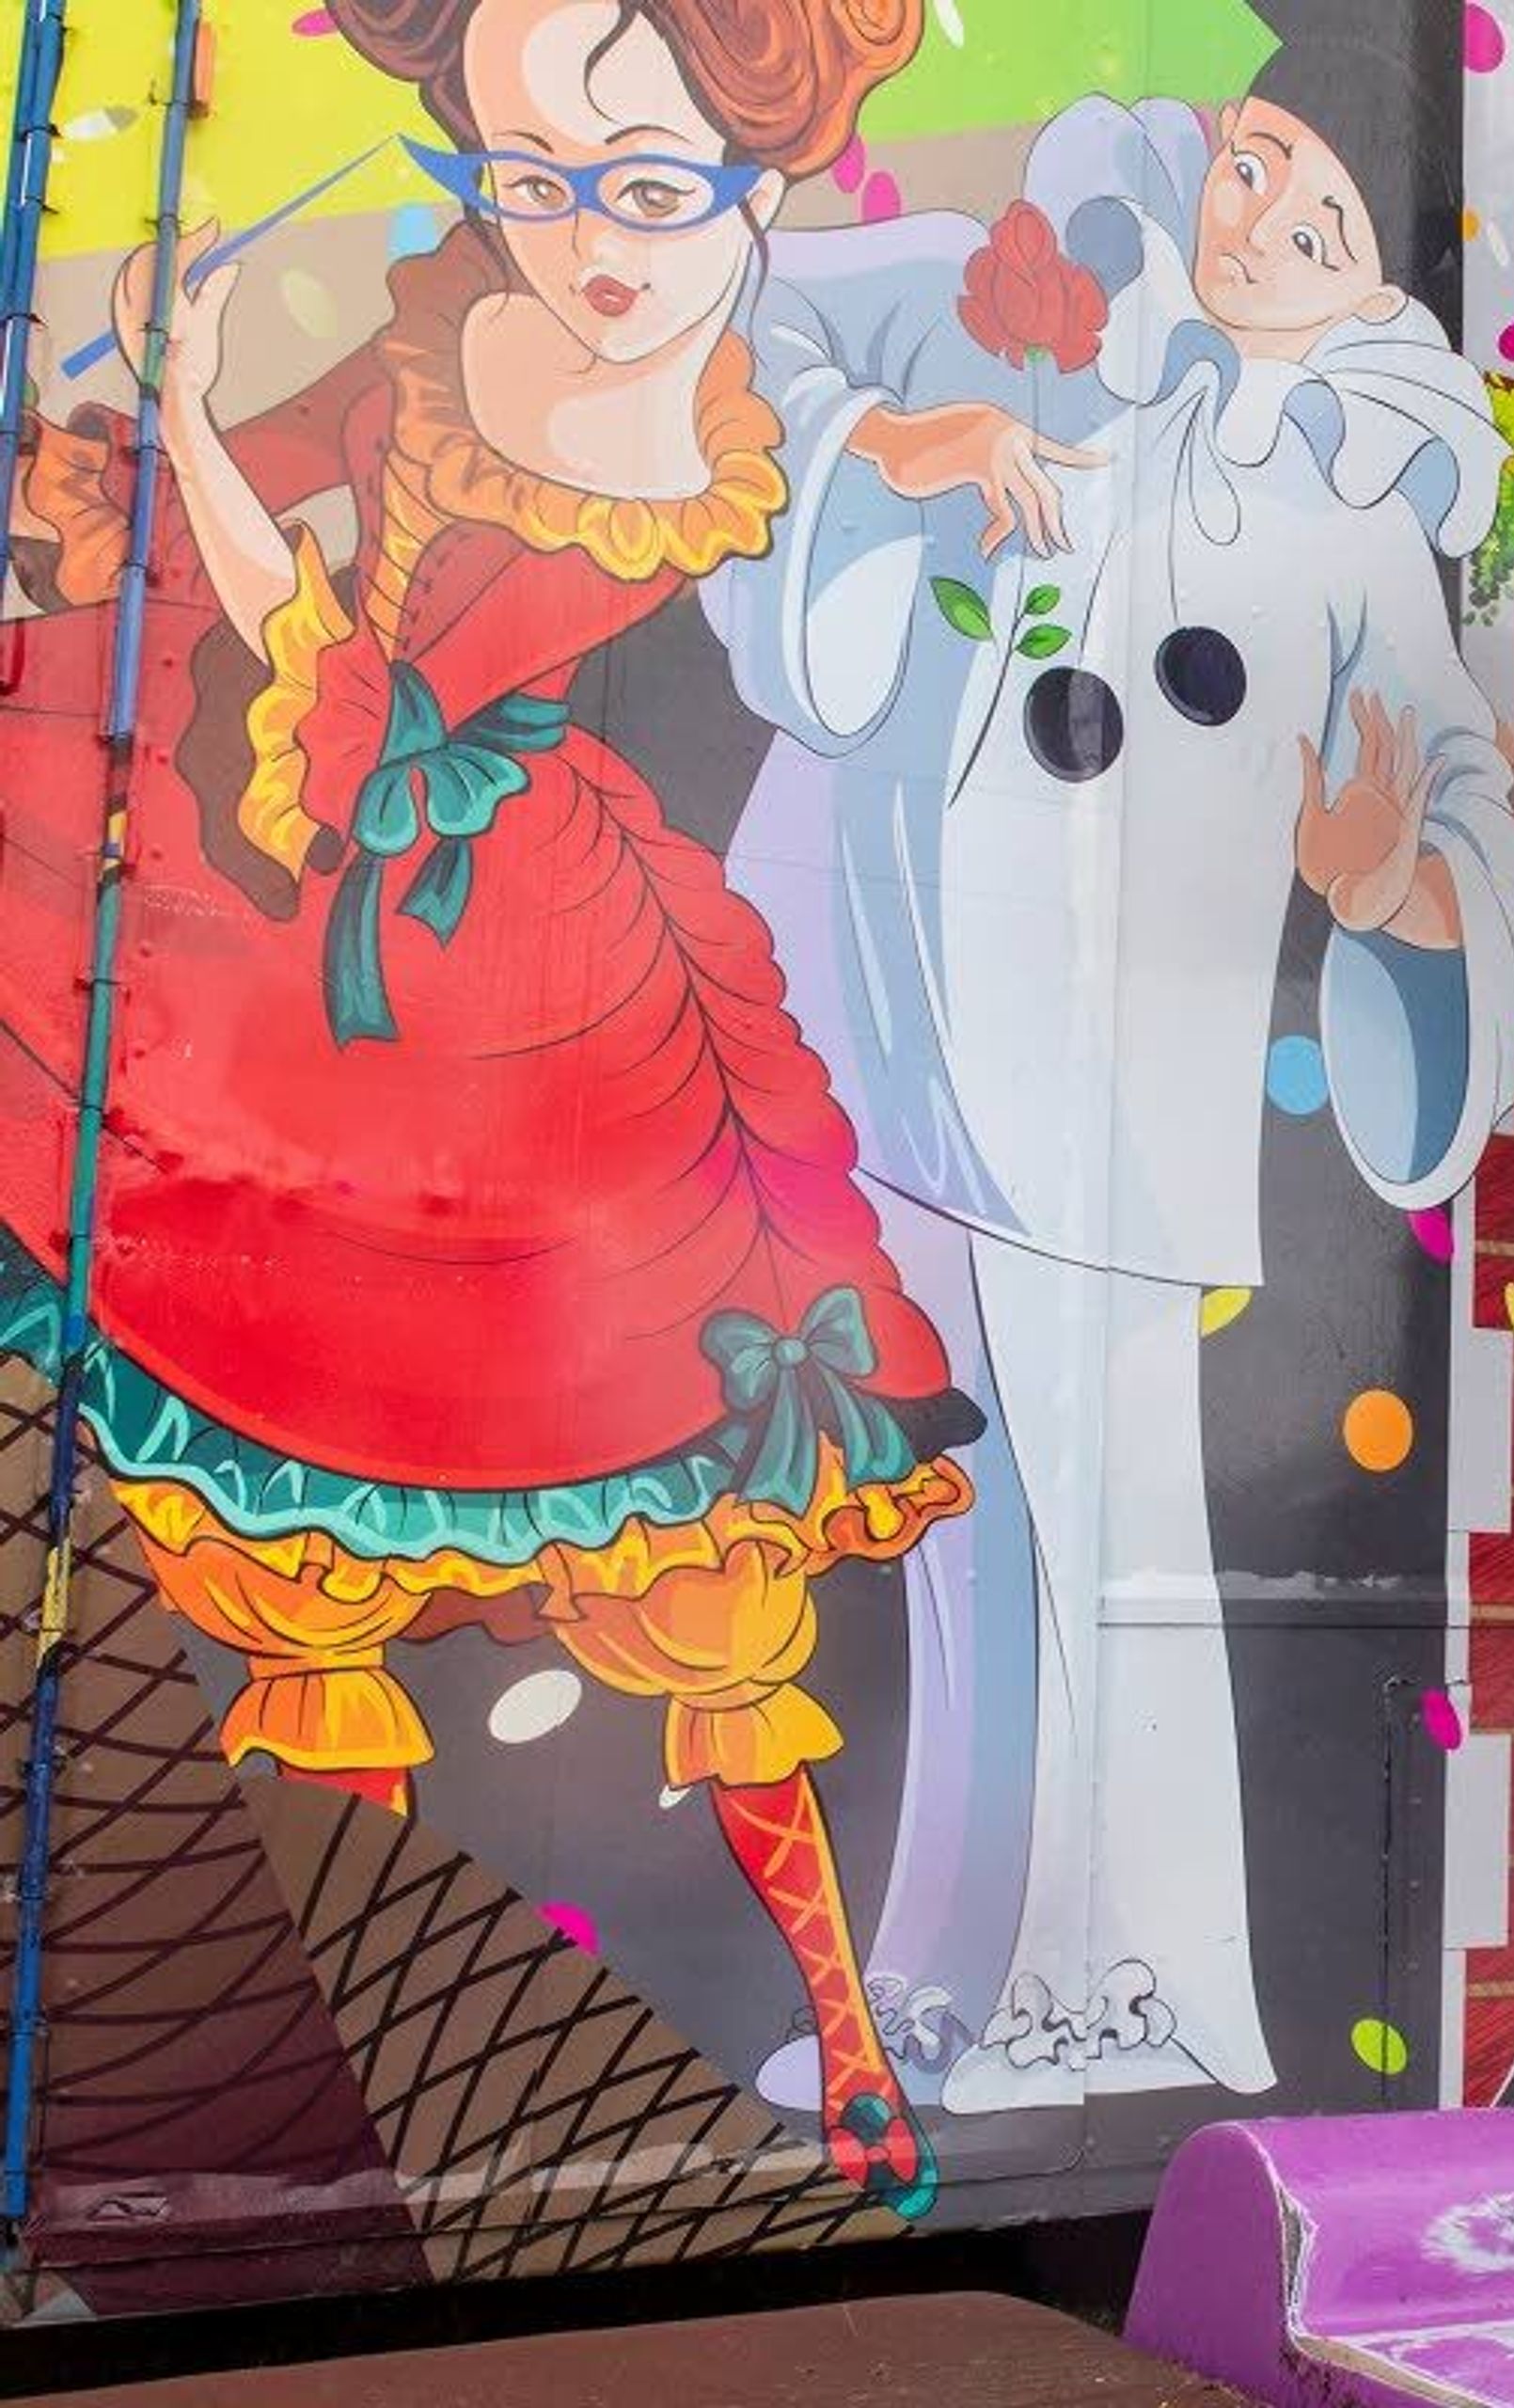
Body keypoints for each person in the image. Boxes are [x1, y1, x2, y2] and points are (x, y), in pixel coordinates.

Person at [0, 0, 961, 2218]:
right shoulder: (453, 317)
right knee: (302, 1510)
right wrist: (167, 404)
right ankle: (307, 2082)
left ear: (760, 161)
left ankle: (845, 2051)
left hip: (532, 957)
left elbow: (346, 663)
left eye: (644, 184)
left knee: (694, 1543)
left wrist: (196, 438)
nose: (589, 236)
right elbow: (268, 543)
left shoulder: (696, 433)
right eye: (531, 175)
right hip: (355, 943)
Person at [711, 45, 1514, 2111]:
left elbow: (1467, 816)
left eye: (1321, 222)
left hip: (1110, 1097)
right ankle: (948, 1975)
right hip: (924, 1024)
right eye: (1257, 164)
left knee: (1112, 1545)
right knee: (970, 1537)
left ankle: (1127, 1982)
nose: (1259, 215)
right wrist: (905, 439)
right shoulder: (1077, 343)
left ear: (1365, 299)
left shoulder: (1352, 525)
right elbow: (777, 330)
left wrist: (1398, 887)